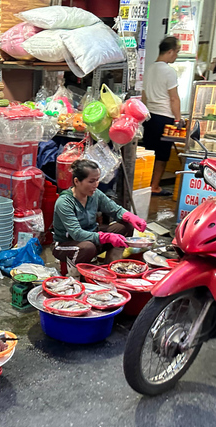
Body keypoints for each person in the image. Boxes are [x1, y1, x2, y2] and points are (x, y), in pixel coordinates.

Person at [52, 160, 147, 269]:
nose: (95, 185)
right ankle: (75, 275)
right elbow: (77, 233)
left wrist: (131, 217)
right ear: (77, 181)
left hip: (92, 236)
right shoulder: (64, 202)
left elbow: (115, 210)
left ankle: (112, 267)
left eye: (97, 180)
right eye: (91, 181)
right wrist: (106, 237)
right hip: (66, 244)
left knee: (126, 226)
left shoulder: (95, 194)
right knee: (88, 247)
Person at [141, 36, 181, 196]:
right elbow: (174, 97)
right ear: (170, 51)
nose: (176, 56)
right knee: (162, 155)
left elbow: (143, 95)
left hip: (149, 116)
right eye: (176, 52)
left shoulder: (149, 68)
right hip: (165, 117)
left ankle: (144, 185)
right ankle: (155, 186)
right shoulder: (169, 71)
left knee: (149, 152)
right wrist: (178, 119)